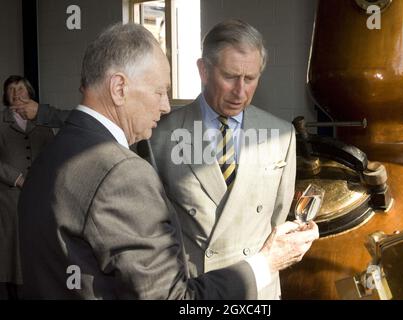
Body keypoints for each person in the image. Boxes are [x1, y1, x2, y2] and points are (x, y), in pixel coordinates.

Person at [18, 23, 318, 299]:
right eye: (160, 91)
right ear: (119, 88)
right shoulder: (125, 170)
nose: (164, 106)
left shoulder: (53, 154)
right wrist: (265, 262)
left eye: (250, 78)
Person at [145, 19, 299, 300]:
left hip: (258, 291)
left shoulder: (282, 134)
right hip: (196, 290)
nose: (240, 92)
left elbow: (278, 215)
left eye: (250, 79)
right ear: (203, 70)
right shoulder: (159, 136)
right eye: (229, 77)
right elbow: (153, 230)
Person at [0, 75, 55, 299]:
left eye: (20, 88)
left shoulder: (41, 122)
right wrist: (17, 178)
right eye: (11, 89)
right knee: (9, 251)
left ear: (29, 92)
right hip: (8, 199)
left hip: (38, 197)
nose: (16, 93)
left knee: (35, 248)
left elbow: (53, 155)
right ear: (5, 95)